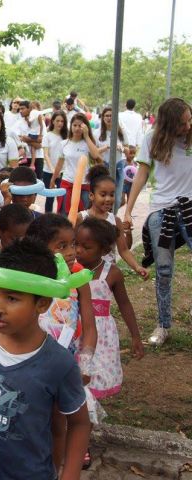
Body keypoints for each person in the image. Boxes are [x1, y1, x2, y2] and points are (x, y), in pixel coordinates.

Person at [0, 239, 90, 480]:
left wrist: (68, 474)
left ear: (42, 303)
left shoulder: (58, 363)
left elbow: (76, 424)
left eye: (12, 299)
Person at [26, 213, 96, 469]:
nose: (72, 252)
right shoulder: (30, 281)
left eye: (73, 244)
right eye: (62, 245)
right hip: (31, 361)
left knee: (61, 419)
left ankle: (55, 469)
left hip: (65, 363)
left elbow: (89, 325)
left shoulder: (79, 278)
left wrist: (85, 361)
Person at [124, 97, 192, 347]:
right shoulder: (152, 138)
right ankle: (163, 325)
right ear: (168, 124)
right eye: (182, 123)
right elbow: (141, 174)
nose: (187, 126)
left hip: (190, 207)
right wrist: (128, 211)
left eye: (189, 120)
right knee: (163, 272)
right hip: (161, 210)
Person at [75, 218, 145, 398]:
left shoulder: (112, 273)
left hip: (101, 336)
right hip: (75, 330)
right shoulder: (70, 270)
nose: (78, 250)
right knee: (74, 375)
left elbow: (125, 304)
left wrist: (135, 335)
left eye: (86, 247)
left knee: (96, 373)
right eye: (76, 244)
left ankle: (91, 409)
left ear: (104, 250)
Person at [77, 165, 148, 278]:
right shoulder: (81, 218)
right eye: (103, 194)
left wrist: (137, 267)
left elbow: (124, 250)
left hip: (107, 276)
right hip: (83, 275)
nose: (108, 199)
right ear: (91, 196)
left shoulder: (115, 221)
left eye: (112, 194)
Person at [50, 112, 102, 215]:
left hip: (84, 184)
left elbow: (96, 155)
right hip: (67, 182)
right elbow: (60, 164)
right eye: (75, 125)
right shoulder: (64, 144)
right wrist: (53, 179)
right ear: (71, 126)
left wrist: (87, 136)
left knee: (83, 215)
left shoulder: (88, 143)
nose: (77, 128)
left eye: (80, 126)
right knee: (65, 213)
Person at [95, 106, 129, 212]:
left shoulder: (121, 132)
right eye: (106, 116)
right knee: (103, 197)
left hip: (118, 165)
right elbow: (94, 153)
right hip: (103, 165)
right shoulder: (97, 133)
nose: (109, 118)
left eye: (111, 116)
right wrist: (106, 147)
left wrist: (122, 148)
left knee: (117, 199)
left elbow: (128, 151)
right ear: (103, 118)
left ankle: (113, 219)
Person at [42, 111, 68, 212]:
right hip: (48, 171)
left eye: (62, 121)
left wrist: (57, 171)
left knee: (62, 198)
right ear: (53, 121)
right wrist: (53, 170)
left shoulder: (66, 136)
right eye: (57, 121)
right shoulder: (47, 136)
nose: (60, 123)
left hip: (63, 172)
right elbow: (46, 155)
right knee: (50, 198)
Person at [17, 100, 45, 178]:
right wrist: (28, 140)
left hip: (38, 157)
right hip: (23, 158)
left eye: (22, 109)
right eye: (19, 109)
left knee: (37, 183)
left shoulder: (40, 122)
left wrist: (27, 140)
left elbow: (40, 144)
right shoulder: (19, 123)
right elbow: (18, 139)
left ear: (29, 109)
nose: (20, 111)